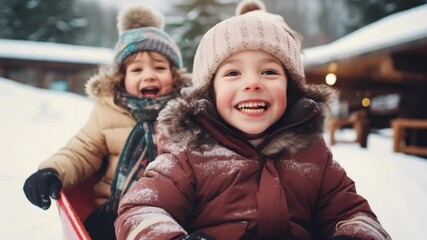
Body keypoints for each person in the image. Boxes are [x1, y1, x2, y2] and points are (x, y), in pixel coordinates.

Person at [115, 0, 391, 239]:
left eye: (269, 72)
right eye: (233, 73)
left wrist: (351, 235)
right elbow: (141, 210)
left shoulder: (313, 156)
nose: (252, 83)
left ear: (290, 88)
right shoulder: (188, 154)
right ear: (209, 93)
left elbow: (355, 214)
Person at [23, 4, 190, 240]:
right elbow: (82, 150)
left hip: (174, 208)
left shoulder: (186, 111)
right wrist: (52, 170)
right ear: (122, 79)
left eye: (160, 67)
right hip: (116, 207)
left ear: (174, 76)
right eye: (137, 69)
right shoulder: (109, 109)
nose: (149, 75)